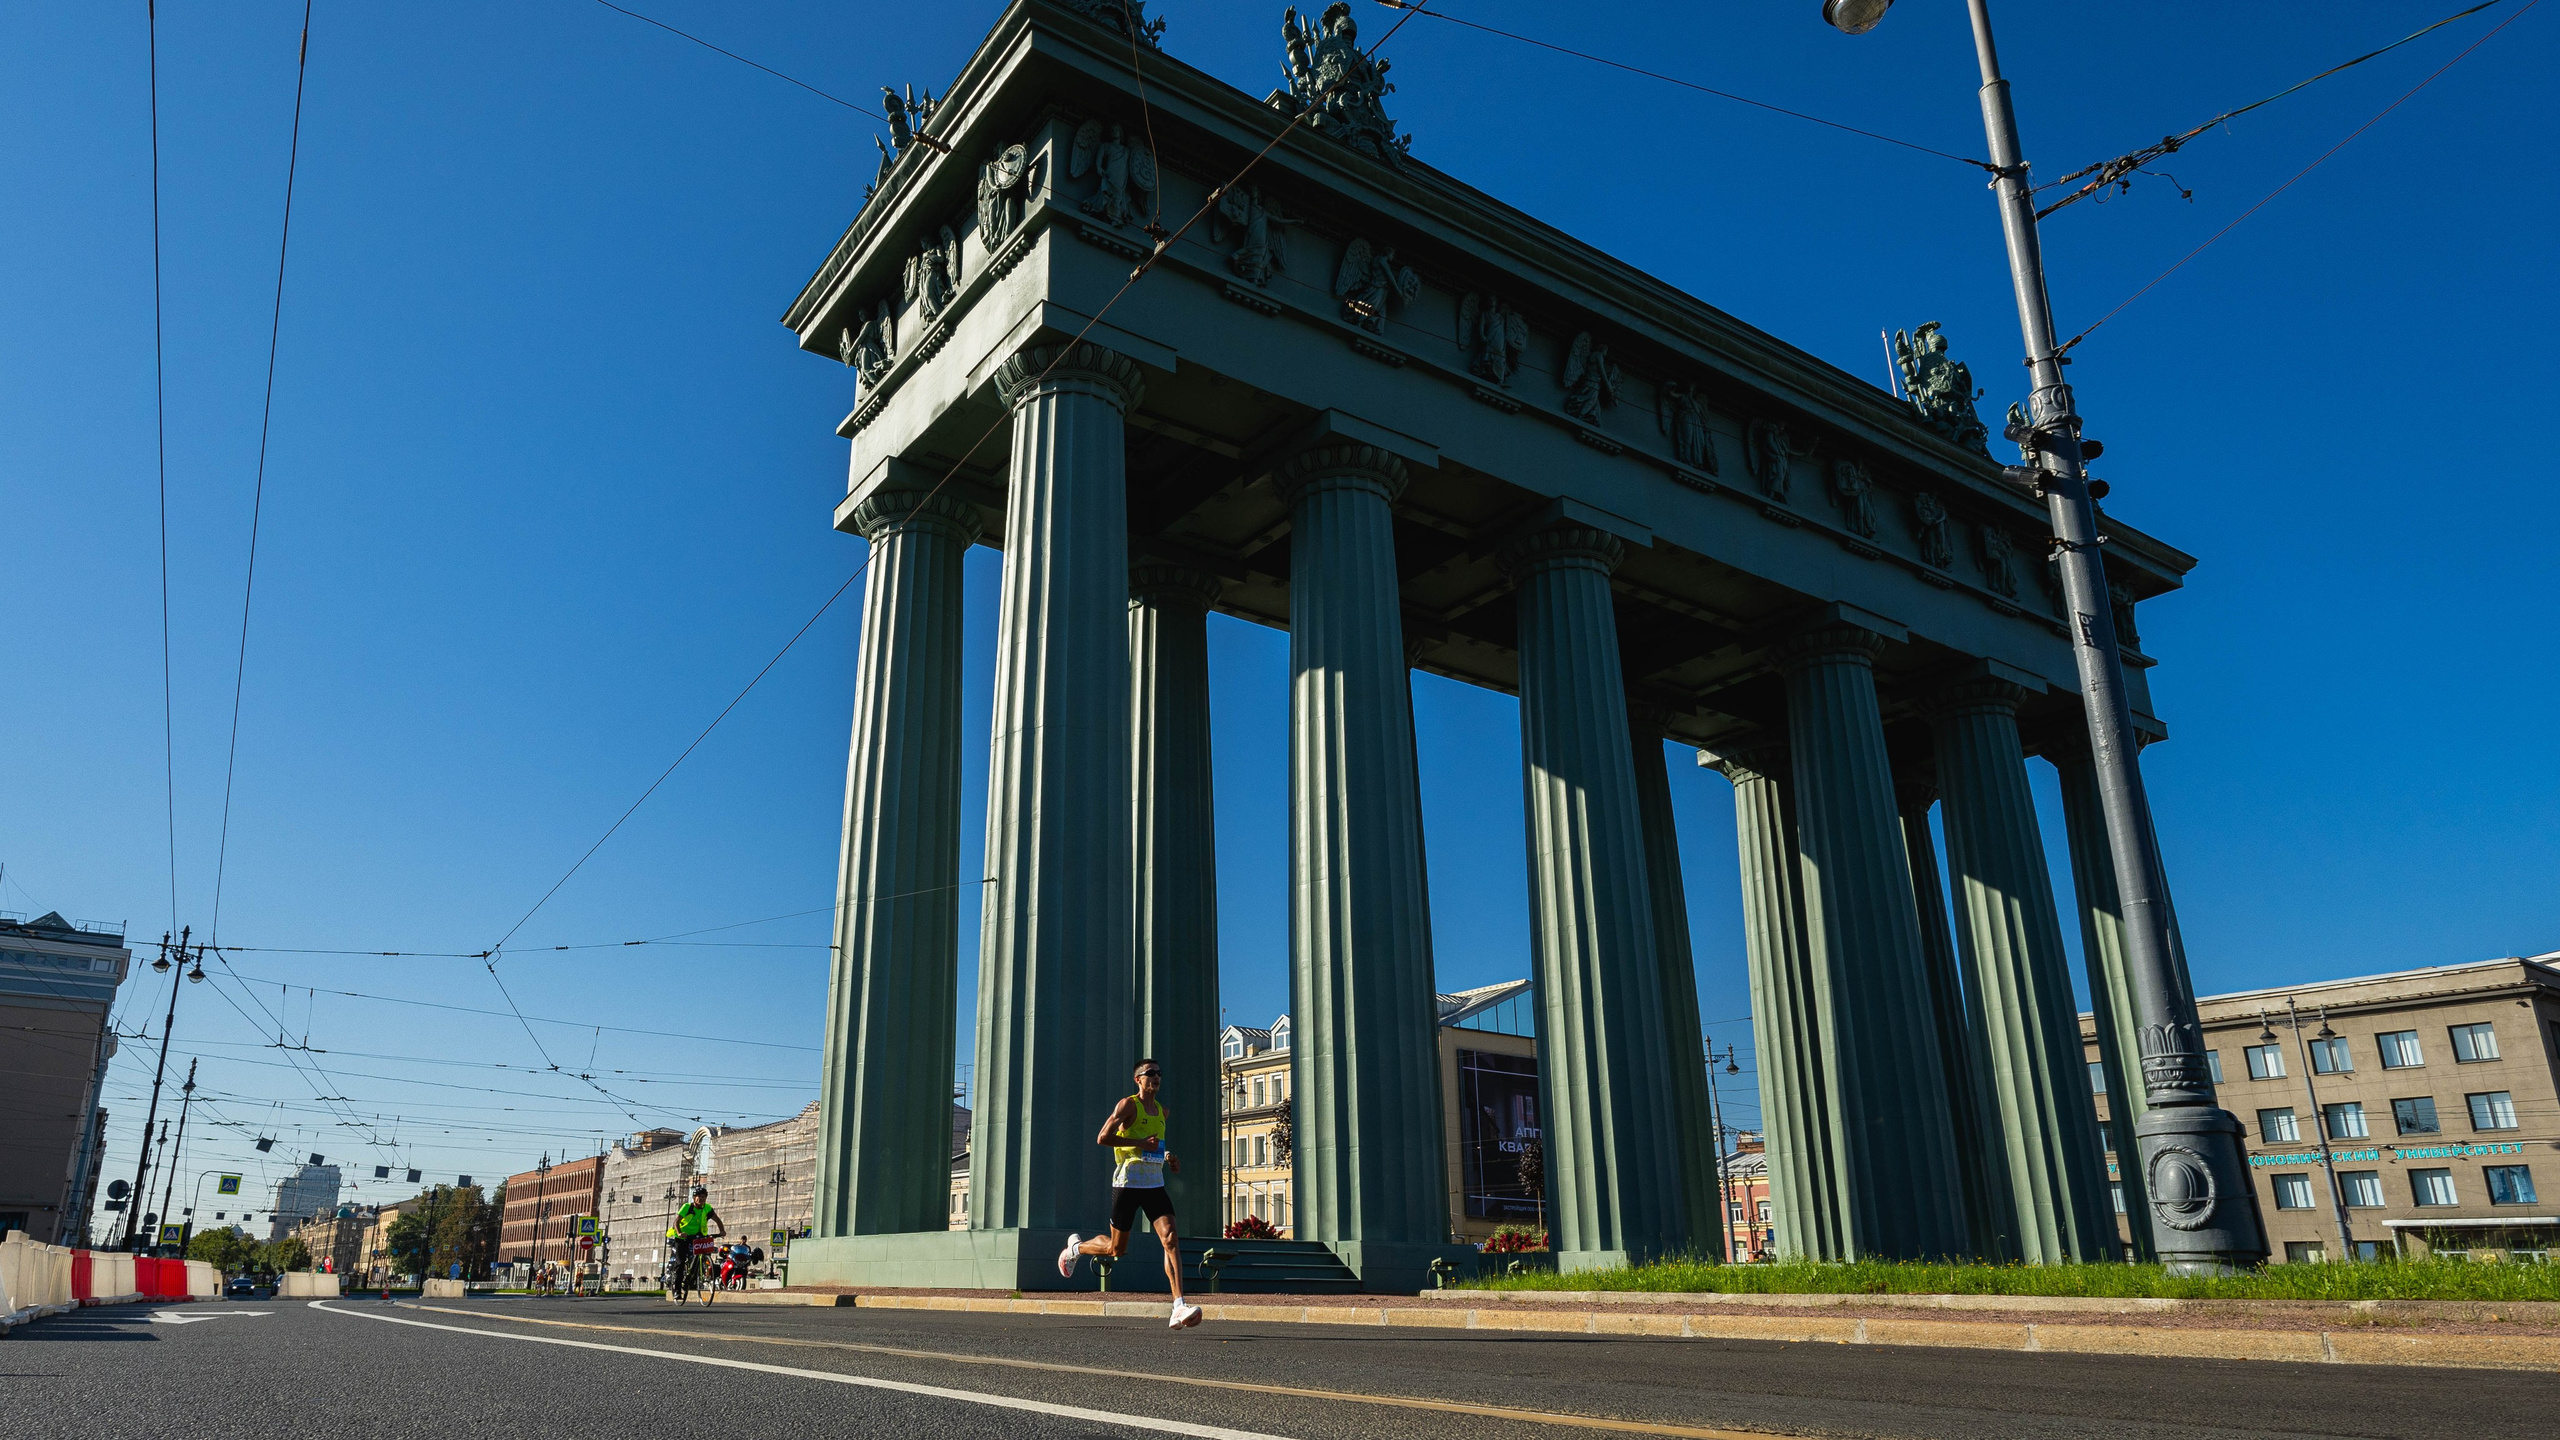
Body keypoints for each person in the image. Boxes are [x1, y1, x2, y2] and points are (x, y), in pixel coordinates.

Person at [1058, 1059, 1201, 1329]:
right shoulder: (1128, 1105)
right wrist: (1137, 1142)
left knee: (1170, 1238)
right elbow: (1102, 1137)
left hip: (1154, 1183)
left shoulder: (1162, 1111)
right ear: (1138, 1079)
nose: (1156, 1077)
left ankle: (1179, 1305)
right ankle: (1075, 1249)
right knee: (1116, 1249)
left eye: (1159, 1073)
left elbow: (1156, 1145)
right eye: (1150, 1073)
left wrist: (1169, 1157)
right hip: (1127, 1183)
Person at [666, 1184, 725, 1293]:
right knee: (681, 1262)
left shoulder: (707, 1208)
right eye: (699, 1196)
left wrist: (722, 1230)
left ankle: (695, 1277)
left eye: (703, 1197)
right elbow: (676, 1221)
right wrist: (679, 1233)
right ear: (694, 1198)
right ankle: (677, 1289)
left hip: (697, 1236)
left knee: (702, 1255)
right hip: (682, 1237)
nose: (701, 1199)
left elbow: (717, 1219)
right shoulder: (687, 1207)